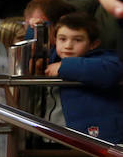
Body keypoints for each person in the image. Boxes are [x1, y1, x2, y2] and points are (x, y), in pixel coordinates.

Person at [45, 12, 123, 143]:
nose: (68, 45)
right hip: (56, 136)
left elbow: (112, 71)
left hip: (95, 138)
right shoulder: (53, 58)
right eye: (62, 39)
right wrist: (34, 27)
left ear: (93, 44)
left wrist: (64, 67)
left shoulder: (104, 60)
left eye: (77, 40)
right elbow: (37, 45)